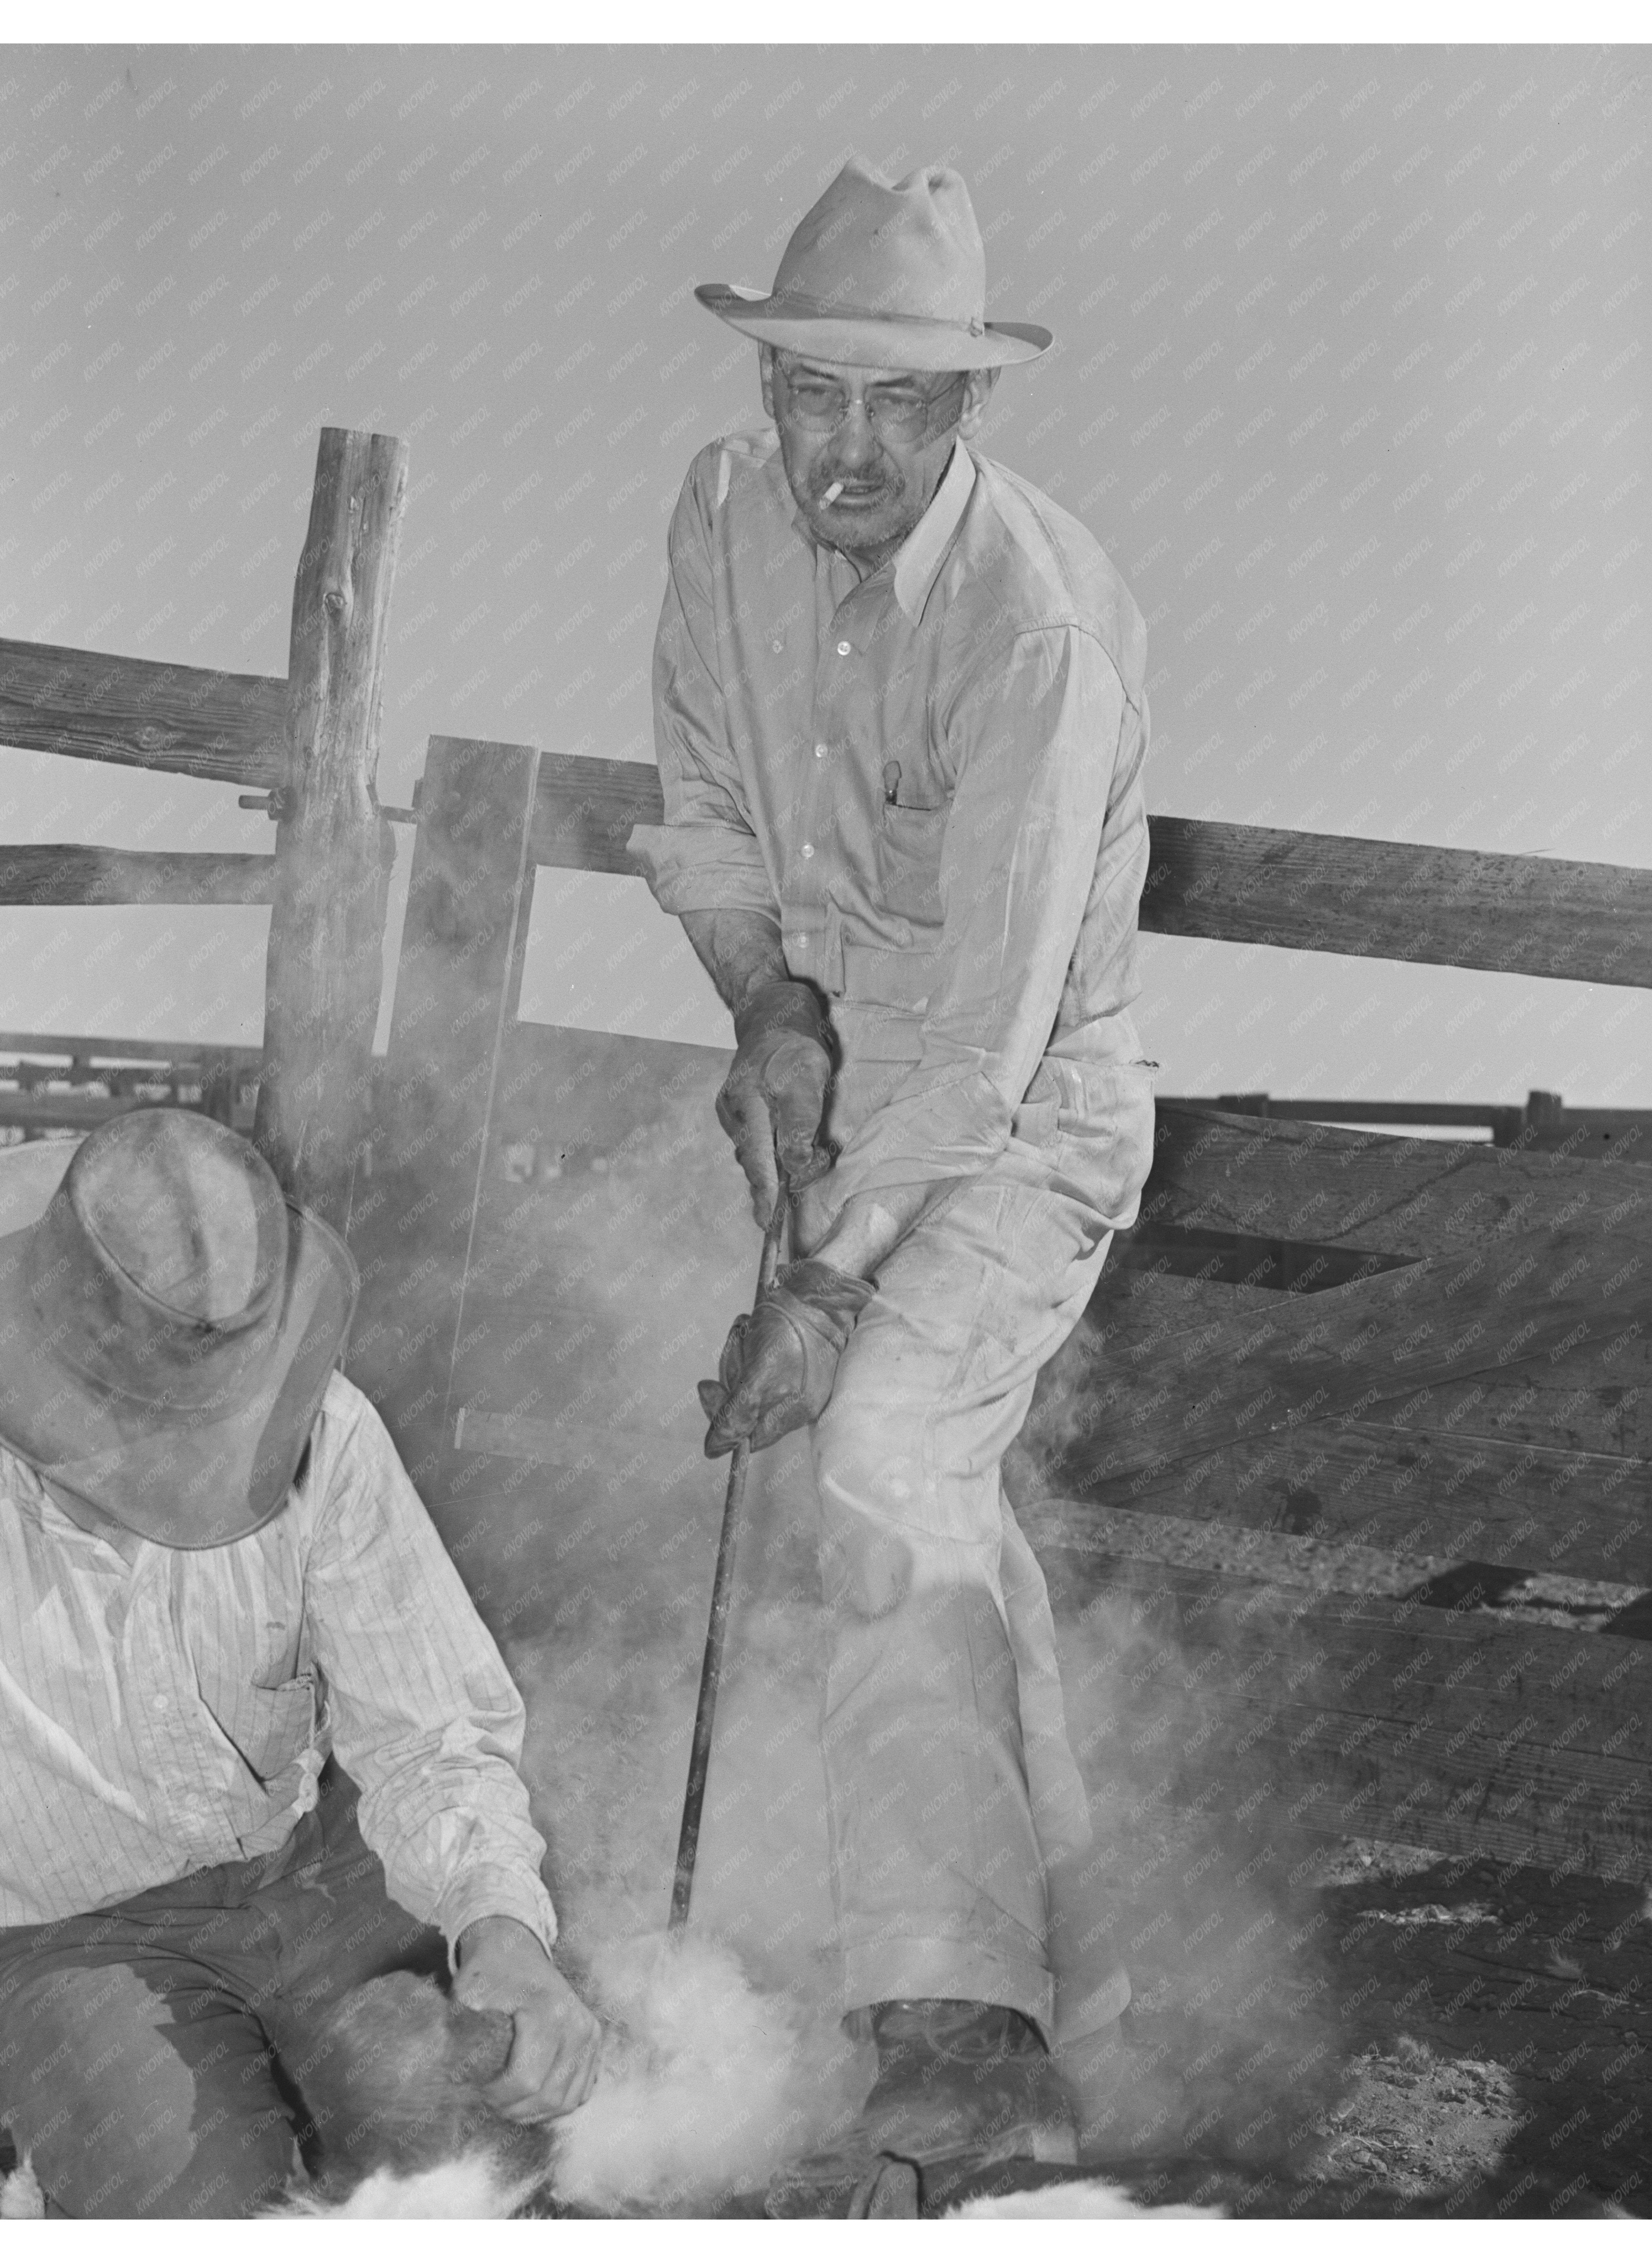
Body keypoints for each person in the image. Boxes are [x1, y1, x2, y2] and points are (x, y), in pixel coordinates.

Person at [629, 158, 1157, 2208]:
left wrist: (820, 1276)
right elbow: (695, 804)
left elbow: (987, 1041)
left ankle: (951, 2049)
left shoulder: (1040, 635)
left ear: (965, 410)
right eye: (809, 395)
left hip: (1024, 1116)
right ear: (767, 386)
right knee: (914, 1493)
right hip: (844, 1067)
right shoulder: (712, 511)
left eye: (894, 405)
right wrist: (762, 1003)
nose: (841, 447)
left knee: (870, 1451)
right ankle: (1061, 1973)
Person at [0, 1111, 601, 2218]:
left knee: (499, 2150)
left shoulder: (323, 1431)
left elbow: (429, 1727)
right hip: (58, 1933)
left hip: (308, 1871)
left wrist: (499, 1925)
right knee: (205, 2208)